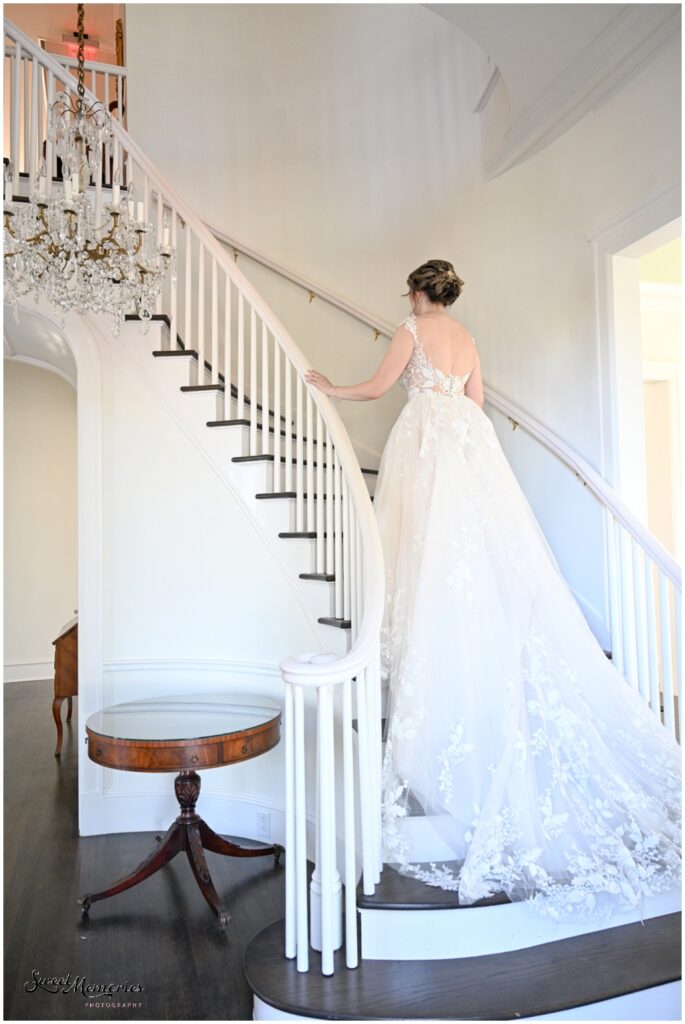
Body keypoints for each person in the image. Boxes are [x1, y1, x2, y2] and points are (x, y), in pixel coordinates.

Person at [305, 259, 681, 920]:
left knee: (422, 553)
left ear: (417, 292)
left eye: (410, 290)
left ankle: (435, 651)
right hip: (468, 446)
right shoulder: (469, 338)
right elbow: (474, 404)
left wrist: (329, 386)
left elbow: (377, 387)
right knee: (471, 554)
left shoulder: (409, 329)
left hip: (423, 446)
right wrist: (449, 419)